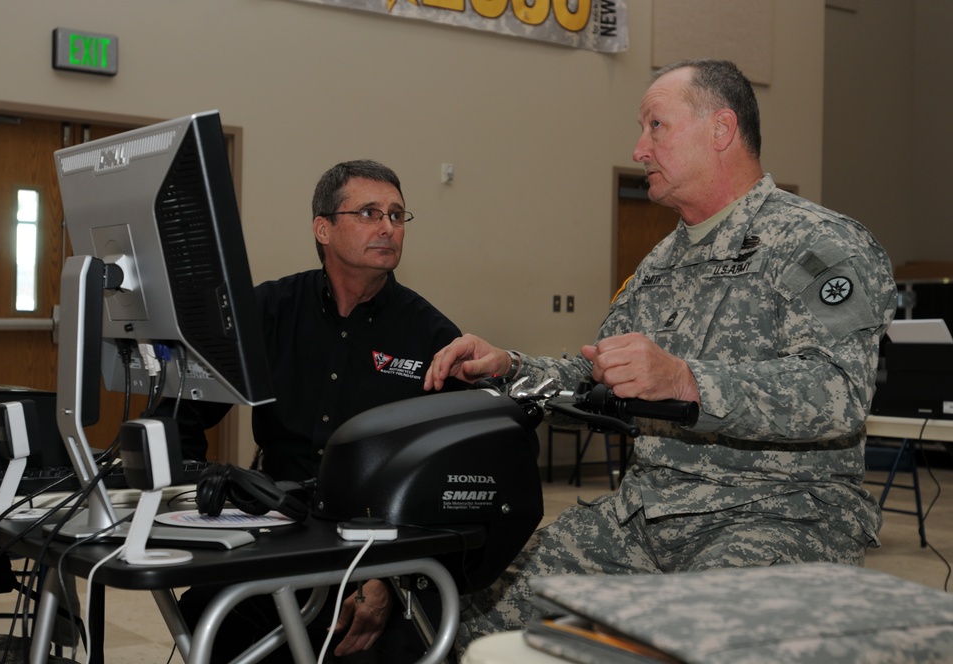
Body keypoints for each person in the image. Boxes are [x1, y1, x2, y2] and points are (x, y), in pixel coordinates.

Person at [424, 59, 897, 649]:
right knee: (468, 617)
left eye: (656, 126)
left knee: (688, 641)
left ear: (720, 130)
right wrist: (512, 367)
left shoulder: (819, 244)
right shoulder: (663, 262)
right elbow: (600, 371)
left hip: (777, 514)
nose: (639, 148)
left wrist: (684, 380)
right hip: (647, 515)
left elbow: (838, 395)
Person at [170, 159, 464, 662]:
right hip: (278, 532)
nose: (388, 228)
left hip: (378, 548)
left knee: (384, 646)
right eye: (370, 213)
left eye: (397, 215)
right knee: (205, 615)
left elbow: (454, 475)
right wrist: (187, 501)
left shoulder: (433, 337)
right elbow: (183, 411)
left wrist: (390, 578)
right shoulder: (267, 311)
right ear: (322, 228)